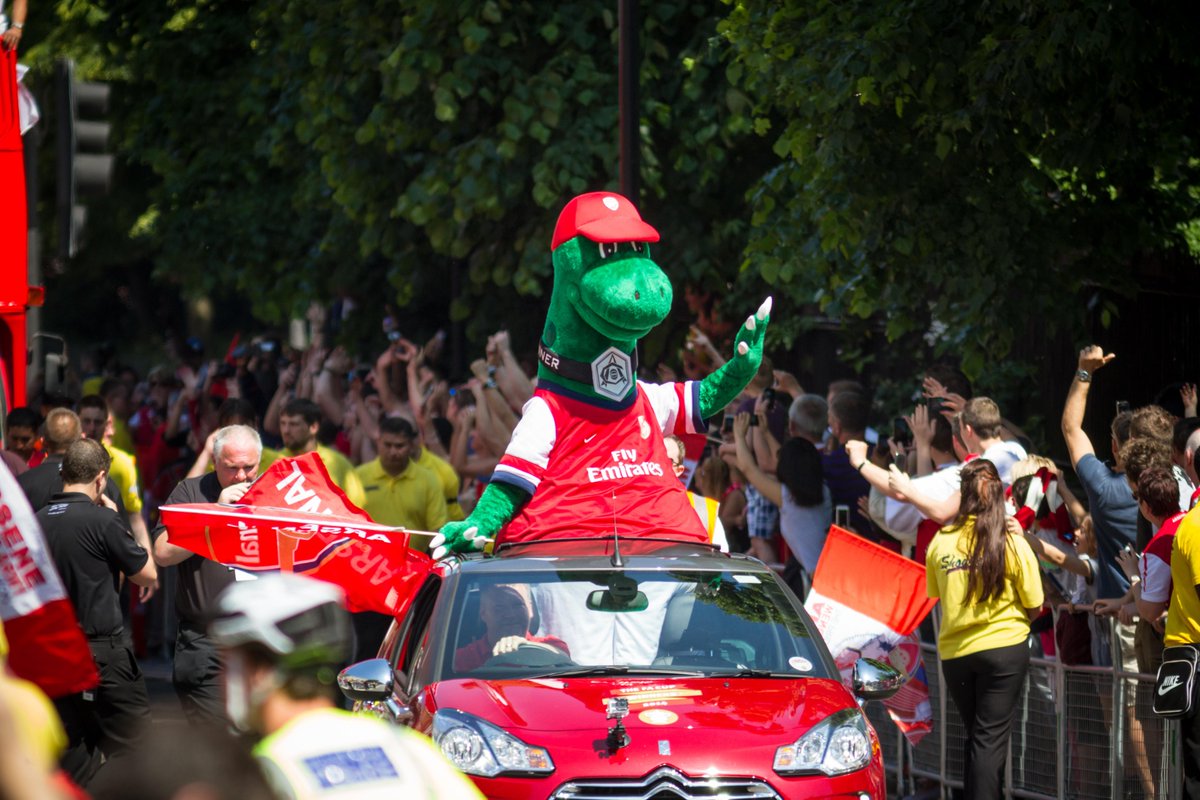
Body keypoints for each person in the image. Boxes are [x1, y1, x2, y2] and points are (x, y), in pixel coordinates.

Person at [209, 574, 484, 799]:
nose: (219, 677)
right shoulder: (410, 751)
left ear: (259, 672)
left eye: (227, 663)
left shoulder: (259, 774)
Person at [39, 439, 158, 785]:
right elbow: (146, 573)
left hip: (56, 653)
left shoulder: (37, 520)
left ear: (64, 472)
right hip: (102, 652)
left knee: (71, 750)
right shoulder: (103, 520)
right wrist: (116, 519)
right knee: (138, 745)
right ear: (101, 478)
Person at [925, 459, 1043, 800]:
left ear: (963, 495)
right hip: (1005, 649)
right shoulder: (1011, 540)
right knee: (988, 739)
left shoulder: (941, 542)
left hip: (956, 655)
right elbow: (1035, 604)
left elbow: (939, 595)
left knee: (980, 737)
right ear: (998, 496)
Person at [152, 424, 262, 727]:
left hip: (259, 641)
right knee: (220, 744)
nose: (241, 477)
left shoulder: (272, 496)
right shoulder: (190, 492)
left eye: (249, 467)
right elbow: (162, 552)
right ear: (215, 462)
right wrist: (216, 514)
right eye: (232, 468)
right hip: (207, 642)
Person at [733, 413, 829, 583]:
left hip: (813, 580)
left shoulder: (787, 497)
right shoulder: (824, 491)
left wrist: (739, 435)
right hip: (827, 571)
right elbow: (791, 460)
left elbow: (748, 468)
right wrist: (766, 432)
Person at [453, 584, 570, 671]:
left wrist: (525, 647)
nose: (510, 615)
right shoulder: (463, 659)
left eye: (518, 605)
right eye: (499, 608)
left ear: (530, 609)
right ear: (483, 614)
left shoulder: (554, 646)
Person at [278, 398, 366, 507]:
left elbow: (357, 507)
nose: (286, 430)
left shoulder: (338, 463)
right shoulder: (274, 461)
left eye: (294, 424)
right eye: (283, 423)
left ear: (314, 427)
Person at [664, 434, 728, 549]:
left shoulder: (704, 510)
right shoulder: (625, 501)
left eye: (667, 460)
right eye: (655, 457)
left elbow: (721, 561)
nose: (659, 464)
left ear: (679, 470)